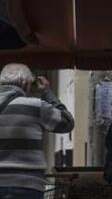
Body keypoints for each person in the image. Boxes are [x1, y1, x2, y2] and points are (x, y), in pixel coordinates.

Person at [0, 64, 74, 199]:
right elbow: (67, 123)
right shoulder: (36, 106)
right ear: (26, 83)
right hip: (27, 185)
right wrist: (46, 91)